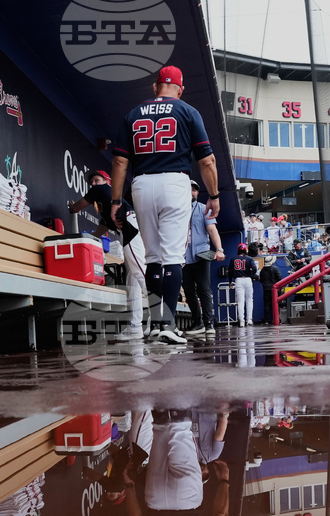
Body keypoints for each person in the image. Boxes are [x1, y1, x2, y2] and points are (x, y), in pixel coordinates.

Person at [111, 65, 219, 345]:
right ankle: (166, 325)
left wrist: (115, 200)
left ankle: (154, 323)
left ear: (154, 87)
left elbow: (120, 161)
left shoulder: (133, 114)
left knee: (153, 258)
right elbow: (206, 160)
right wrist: (215, 196)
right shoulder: (187, 110)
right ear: (180, 89)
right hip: (174, 182)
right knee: (172, 256)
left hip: (142, 184)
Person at [69, 170, 148, 340]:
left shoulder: (103, 189)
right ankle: (136, 326)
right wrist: (90, 238)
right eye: (92, 181)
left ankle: (162, 321)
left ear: (107, 180)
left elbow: (77, 206)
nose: (94, 183)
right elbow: (103, 227)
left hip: (130, 228)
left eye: (97, 179)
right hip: (127, 230)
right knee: (132, 280)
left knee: (141, 274)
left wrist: (72, 207)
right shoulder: (106, 203)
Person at [182, 180, 224, 337]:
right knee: (188, 290)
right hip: (183, 256)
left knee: (204, 289)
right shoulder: (177, 210)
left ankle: (208, 323)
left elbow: (212, 230)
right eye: (188, 189)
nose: (191, 192)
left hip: (201, 255)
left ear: (197, 193)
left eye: (194, 190)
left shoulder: (203, 209)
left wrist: (219, 249)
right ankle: (198, 323)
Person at [230, 243, 257, 327]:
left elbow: (230, 272)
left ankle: (241, 321)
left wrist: (230, 281)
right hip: (248, 279)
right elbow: (255, 269)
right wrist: (252, 275)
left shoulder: (233, 259)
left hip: (238, 280)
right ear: (245, 250)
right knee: (249, 300)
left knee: (240, 301)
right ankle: (249, 320)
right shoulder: (249, 258)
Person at [259, 254, 283, 325]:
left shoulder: (262, 270)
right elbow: (279, 278)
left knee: (267, 304)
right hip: (275, 289)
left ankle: (266, 319)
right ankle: (276, 319)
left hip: (266, 289)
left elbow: (261, 280)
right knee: (276, 304)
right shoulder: (275, 269)